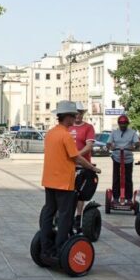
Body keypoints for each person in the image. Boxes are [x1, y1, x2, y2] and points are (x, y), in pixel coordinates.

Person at [40, 100, 100, 265]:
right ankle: (60, 248)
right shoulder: (65, 135)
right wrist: (92, 168)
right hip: (63, 182)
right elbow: (76, 157)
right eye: (73, 115)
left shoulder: (51, 133)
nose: (75, 118)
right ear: (66, 117)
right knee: (65, 216)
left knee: (49, 213)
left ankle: (45, 248)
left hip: (49, 180)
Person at [69, 101, 96, 225]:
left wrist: (77, 155)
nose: (78, 115)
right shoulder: (68, 127)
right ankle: (66, 215)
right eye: (76, 113)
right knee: (68, 191)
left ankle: (78, 216)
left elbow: (89, 146)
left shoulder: (88, 127)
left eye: (80, 113)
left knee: (80, 192)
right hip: (68, 164)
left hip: (83, 164)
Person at [109, 115, 139, 203]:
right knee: (116, 178)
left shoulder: (132, 132)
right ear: (118, 124)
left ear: (127, 124)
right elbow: (108, 143)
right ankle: (115, 197)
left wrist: (134, 146)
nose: (123, 125)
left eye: (124, 123)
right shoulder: (114, 133)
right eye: (121, 123)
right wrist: (111, 146)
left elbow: (137, 143)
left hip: (128, 159)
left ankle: (129, 198)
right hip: (116, 158)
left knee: (128, 178)